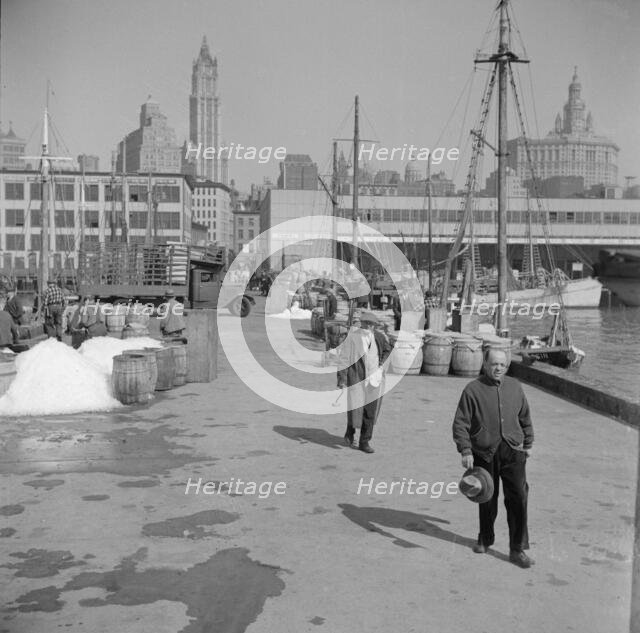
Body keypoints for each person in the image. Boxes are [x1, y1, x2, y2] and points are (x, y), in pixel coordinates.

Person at [452, 349, 534, 568]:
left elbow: (524, 416)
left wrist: (528, 443)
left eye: (503, 365)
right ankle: (485, 538)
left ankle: (517, 549)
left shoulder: (515, 387)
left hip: (513, 450)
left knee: (518, 498)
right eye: (494, 364)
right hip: (484, 452)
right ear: (485, 364)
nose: (498, 368)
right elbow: (461, 423)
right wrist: (466, 450)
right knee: (487, 497)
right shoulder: (472, 390)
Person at [337, 312, 392, 454]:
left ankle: (364, 441)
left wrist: (381, 366)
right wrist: (342, 378)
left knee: (370, 411)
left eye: (371, 324)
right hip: (356, 378)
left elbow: (387, 351)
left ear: (374, 325)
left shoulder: (379, 337)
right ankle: (350, 431)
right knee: (354, 408)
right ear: (361, 324)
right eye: (366, 323)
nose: (369, 326)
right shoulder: (353, 338)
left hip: (374, 380)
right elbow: (343, 358)